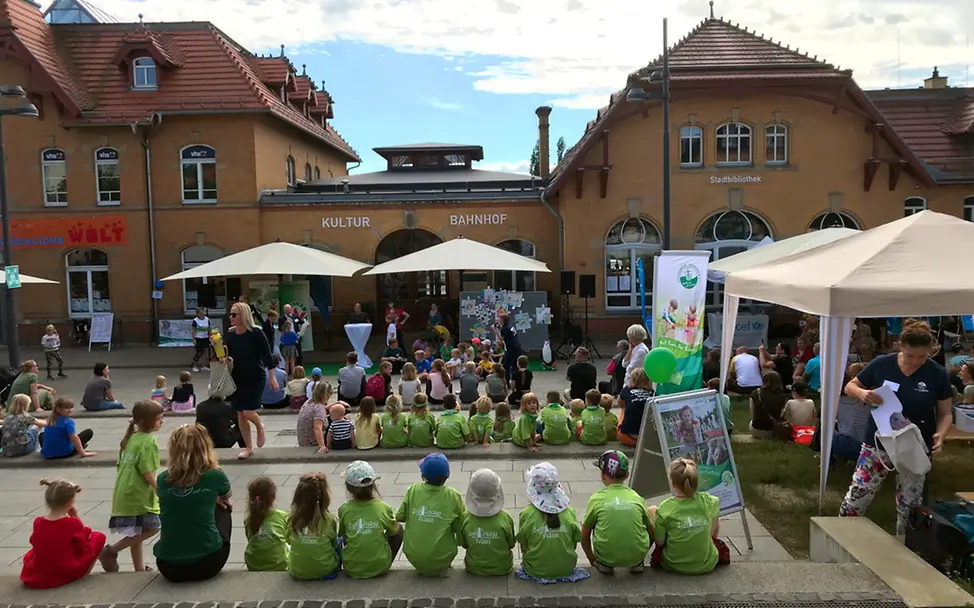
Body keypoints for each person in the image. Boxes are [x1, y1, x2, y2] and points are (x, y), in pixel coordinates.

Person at [838, 319, 953, 536]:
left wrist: (941, 433)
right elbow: (850, 386)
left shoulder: (937, 373)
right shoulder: (882, 364)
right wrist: (863, 394)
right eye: (910, 356)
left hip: (915, 445)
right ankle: (843, 535)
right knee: (859, 493)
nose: (915, 362)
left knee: (910, 502)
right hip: (878, 441)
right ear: (900, 346)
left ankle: (905, 544)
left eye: (922, 356)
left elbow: (946, 413)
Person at [154, 424, 233, 583]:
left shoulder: (162, 479)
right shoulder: (215, 475)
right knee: (223, 506)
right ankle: (208, 543)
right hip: (208, 563)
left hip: (168, 566)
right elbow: (226, 495)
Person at [104, 401, 164, 573]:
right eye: (159, 419)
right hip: (138, 493)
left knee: (135, 533)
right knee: (154, 527)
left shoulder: (130, 439)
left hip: (124, 490)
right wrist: (159, 489)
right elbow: (147, 471)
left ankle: (138, 568)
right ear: (148, 421)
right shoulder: (148, 441)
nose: (162, 422)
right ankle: (111, 551)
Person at [20, 478, 110, 589]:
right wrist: (75, 516)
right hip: (64, 571)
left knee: (36, 551)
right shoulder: (72, 523)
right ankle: (83, 572)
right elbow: (81, 546)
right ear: (70, 502)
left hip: (40, 572)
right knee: (98, 537)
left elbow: (34, 541)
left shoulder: (38, 521)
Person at [648, 458, 730, 574]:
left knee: (652, 510)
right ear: (696, 482)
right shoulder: (708, 500)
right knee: (714, 506)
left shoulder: (666, 507)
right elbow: (712, 533)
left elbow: (660, 543)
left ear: (673, 484)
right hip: (706, 563)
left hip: (673, 563)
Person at [221, 301, 276, 459]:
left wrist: (272, 377)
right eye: (230, 314)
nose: (230, 317)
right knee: (240, 414)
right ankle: (248, 447)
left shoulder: (256, 333)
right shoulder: (230, 334)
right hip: (236, 377)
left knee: (247, 411)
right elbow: (225, 355)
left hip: (255, 376)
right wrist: (218, 351)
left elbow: (267, 355)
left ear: (243, 315)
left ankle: (259, 426)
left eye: (234, 314)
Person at [516, 462, 588, 583]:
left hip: (535, 570)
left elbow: (524, 544)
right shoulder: (569, 511)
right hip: (566, 568)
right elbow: (575, 542)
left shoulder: (527, 514)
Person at [582, 450, 651, 574]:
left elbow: (584, 534)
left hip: (605, 557)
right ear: (627, 475)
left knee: (595, 522)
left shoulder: (597, 498)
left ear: (602, 476)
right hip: (637, 556)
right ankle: (637, 561)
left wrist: (592, 559)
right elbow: (651, 530)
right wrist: (642, 552)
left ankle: (604, 563)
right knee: (651, 513)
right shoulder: (636, 497)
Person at [396, 453, 465, 576]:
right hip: (443, 556)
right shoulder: (453, 495)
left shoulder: (412, 490)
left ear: (423, 476)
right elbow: (460, 524)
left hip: (413, 555)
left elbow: (399, 516)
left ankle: (424, 565)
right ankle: (441, 565)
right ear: (447, 476)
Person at [338, 460, 403, 579]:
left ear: (349, 488)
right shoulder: (383, 507)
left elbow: (342, 534)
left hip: (351, 568)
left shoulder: (344, 510)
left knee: (346, 533)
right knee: (398, 530)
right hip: (381, 567)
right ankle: (385, 560)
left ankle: (357, 558)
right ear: (373, 485)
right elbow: (394, 532)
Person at [460, 468, 515, 576]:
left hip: (473, 567)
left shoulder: (465, 518)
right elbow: (511, 544)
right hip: (503, 567)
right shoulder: (505, 518)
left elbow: (464, 544)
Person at [287, 473, 340, 580]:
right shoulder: (329, 520)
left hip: (297, 571)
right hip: (325, 570)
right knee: (339, 540)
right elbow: (333, 544)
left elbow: (288, 541)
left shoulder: (291, 520)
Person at [244, 477, 288, 571]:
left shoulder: (249, 520)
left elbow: (250, 538)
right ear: (274, 496)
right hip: (279, 564)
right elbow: (289, 538)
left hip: (253, 565)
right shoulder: (282, 516)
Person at [616, 368, 654, 447]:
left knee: (624, 406)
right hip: (647, 438)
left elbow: (619, 403)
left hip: (628, 437)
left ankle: (623, 426)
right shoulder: (653, 393)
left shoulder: (626, 390)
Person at [749, 371, 788, 440]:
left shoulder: (756, 393)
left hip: (757, 429)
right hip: (775, 430)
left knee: (751, 422)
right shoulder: (782, 397)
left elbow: (752, 414)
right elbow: (781, 415)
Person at [297, 382, 333, 454]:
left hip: (303, 439)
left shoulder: (309, 401)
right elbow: (317, 428)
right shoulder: (319, 408)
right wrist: (322, 446)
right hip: (311, 441)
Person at [496, 313, 522, 385]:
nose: (498, 320)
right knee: (515, 366)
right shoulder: (510, 327)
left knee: (506, 366)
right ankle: (517, 382)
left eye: (499, 319)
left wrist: (495, 330)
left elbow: (501, 338)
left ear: (503, 320)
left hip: (511, 350)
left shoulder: (504, 328)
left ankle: (507, 382)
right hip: (516, 348)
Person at [623, 324, 650, 389]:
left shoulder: (641, 351)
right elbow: (624, 363)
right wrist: (629, 351)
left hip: (636, 383)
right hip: (630, 381)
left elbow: (631, 368)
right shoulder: (634, 348)